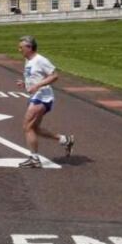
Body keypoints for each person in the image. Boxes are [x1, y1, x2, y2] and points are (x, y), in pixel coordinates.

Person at [15, 36, 74, 168]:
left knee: (27, 127)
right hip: (37, 96)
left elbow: (54, 75)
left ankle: (34, 159)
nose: (19, 50)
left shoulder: (40, 60)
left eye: (21, 47)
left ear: (29, 47)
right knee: (34, 128)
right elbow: (34, 77)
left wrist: (38, 86)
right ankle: (64, 140)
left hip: (43, 97)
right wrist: (26, 84)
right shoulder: (28, 60)